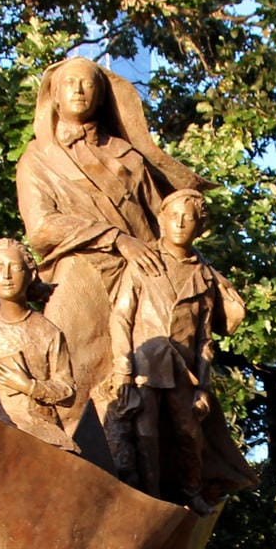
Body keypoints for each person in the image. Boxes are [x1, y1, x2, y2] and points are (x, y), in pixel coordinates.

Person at [15, 57, 210, 447]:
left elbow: (161, 220)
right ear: (53, 94)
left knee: (161, 383)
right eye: (69, 82)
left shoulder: (128, 155)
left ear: (102, 95)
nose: (78, 90)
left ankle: (152, 475)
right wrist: (115, 238)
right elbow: (41, 229)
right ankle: (65, 459)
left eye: (88, 83)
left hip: (143, 274)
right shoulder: (37, 159)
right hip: (80, 269)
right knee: (69, 369)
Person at [102, 188, 253, 510]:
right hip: (144, 367)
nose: (180, 224)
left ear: (200, 226)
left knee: (189, 436)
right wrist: (123, 369)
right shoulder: (144, 263)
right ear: (161, 220)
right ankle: (151, 502)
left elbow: (204, 339)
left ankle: (192, 493)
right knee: (146, 437)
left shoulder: (204, 277)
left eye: (189, 218)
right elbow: (121, 318)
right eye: (173, 216)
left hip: (183, 372)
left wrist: (204, 388)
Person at [0, 237, 79, 453]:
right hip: (7, 437)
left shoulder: (49, 332)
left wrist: (29, 386)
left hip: (50, 441)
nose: (7, 276)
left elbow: (68, 391)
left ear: (30, 274)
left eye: (15, 267)